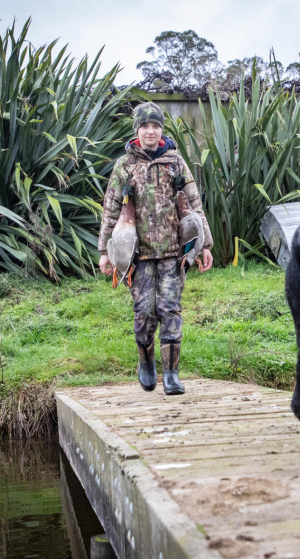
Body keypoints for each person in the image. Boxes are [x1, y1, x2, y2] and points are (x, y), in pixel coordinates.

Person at [98, 102, 214, 395]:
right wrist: (104, 252)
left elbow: (195, 203)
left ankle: (172, 375)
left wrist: (206, 246)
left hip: (173, 253)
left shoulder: (175, 162)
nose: (151, 131)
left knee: (171, 309)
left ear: (162, 129)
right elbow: (111, 210)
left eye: (156, 126)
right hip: (139, 256)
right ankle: (146, 363)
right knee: (145, 312)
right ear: (137, 129)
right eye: (145, 126)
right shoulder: (124, 166)